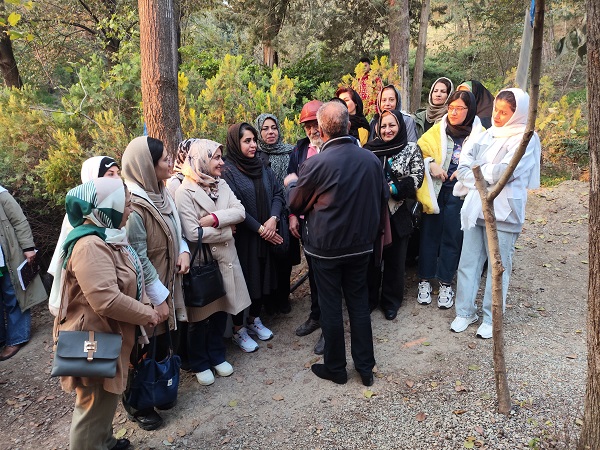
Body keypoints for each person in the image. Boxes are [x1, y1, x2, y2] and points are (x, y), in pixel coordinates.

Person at [287, 101, 388, 387]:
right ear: (348, 125)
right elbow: (382, 197)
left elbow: (295, 203)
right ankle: (365, 369)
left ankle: (336, 368)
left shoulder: (315, 163)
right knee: (358, 304)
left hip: (325, 248)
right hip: (361, 245)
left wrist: (291, 183)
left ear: (321, 130)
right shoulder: (370, 159)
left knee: (331, 306)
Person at [56, 178, 159, 450]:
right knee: (92, 405)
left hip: (105, 334)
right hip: (92, 338)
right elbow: (106, 300)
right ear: (108, 207)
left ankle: (104, 442)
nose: (130, 210)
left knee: (104, 399)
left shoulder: (107, 236)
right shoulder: (90, 245)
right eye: (126, 204)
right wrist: (146, 314)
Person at [450, 88, 540, 338]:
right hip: (477, 207)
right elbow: (465, 164)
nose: (497, 117)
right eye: (496, 110)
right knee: (468, 261)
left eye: (504, 113)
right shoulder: (488, 134)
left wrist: (478, 171)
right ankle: (465, 312)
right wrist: (479, 172)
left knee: (498, 267)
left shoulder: (525, 139)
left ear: (517, 114)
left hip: (504, 211)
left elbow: (506, 172)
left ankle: (492, 317)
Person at [121, 136, 190, 431]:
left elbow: (177, 230)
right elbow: (137, 257)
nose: (170, 163)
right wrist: (159, 297)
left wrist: (184, 250)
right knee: (142, 347)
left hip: (168, 282)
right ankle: (138, 404)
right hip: (149, 291)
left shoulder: (162, 193)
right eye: (164, 159)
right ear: (147, 166)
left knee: (162, 342)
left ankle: (158, 388)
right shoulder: (134, 206)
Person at [175, 139, 251, 385]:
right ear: (201, 160)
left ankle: (217, 356)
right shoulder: (184, 192)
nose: (221, 162)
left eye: (220, 157)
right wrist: (227, 230)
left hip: (225, 259)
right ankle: (199, 362)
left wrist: (215, 219)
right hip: (203, 263)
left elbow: (240, 212)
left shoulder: (221, 184)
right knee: (200, 318)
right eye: (216, 158)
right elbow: (192, 232)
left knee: (221, 312)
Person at [415, 90, 484, 309]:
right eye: (451, 108)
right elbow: (420, 150)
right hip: (436, 191)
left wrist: (465, 174)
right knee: (429, 235)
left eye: (459, 109)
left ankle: (445, 282)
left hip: (461, 193)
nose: (453, 113)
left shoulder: (480, 134)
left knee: (453, 237)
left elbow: (486, 162)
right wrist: (431, 164)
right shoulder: (438, 129)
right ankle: (425, 279)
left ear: (469, 110)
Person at [221, 123, 283, 352]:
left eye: (254, 140)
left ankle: (253, 319)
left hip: (266, 233)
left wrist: (273, 219)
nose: (253, 145)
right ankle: (238, 329)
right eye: (247, 141)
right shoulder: (228, 171)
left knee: (263, 277)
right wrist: (260, 229)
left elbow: (277, 193)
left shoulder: (262, 165)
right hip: (244, 238)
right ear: (235, 143)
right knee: (244, 280)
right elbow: (235, 206)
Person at [364, 110, 424, 320]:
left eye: (392, 125)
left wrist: (391, 189)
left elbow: (416, 179)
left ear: (400, 126)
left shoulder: (411, 149)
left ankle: (390, 301)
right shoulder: (369, 150)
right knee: (371, 259)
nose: (387, 130)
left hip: (398, 212)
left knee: (395, 260)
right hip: (372, 214)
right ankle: (370, 299)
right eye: (383, 126)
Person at [48, 156, 121, 317]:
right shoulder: (79, 215)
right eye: (110, 174)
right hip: (89, 302)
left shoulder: (114, 210)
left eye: (118, 173)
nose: (117, 179)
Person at [286, 100, 325, 355]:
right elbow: (290, 183)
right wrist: (292, 215)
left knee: (329, 277)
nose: (312, 130)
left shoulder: (335, 147)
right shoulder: (299, 151)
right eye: (307, 125)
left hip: (330, 223)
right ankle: (316, 315)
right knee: (313, 271)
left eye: (315, 124)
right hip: (306, 221)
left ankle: (329, 328)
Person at [255, 113, 298, 315]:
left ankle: (283, 297)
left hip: (287, 212)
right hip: (265, 216)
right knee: (267, 260)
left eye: (273, 127)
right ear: (259, 131)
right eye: (265, 128)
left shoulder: (291, 152)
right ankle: (269, 301)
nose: (270, 132)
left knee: (285, 258)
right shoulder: (255, 155)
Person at [0, 187, 46, 361]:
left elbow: (19, 221)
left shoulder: (2, 195)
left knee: (13, 296)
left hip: (7, 257)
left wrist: (28, 247)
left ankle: (17, 338)